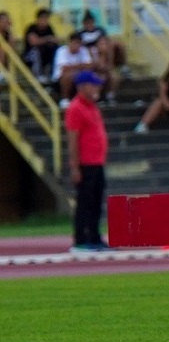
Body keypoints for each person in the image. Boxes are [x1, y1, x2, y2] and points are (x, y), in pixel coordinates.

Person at [65, 69, 109, 252]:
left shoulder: (92, 106)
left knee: (97, 201)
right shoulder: (76, 108)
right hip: (86, 163)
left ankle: (94, 236)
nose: (97, 88)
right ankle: (81, 239)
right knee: (85, 202)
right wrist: (75, 166)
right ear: (82, 87)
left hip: (97, 162)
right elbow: (73, 140)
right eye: (93, 85)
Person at [77, 11, 125, 98]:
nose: (89, 24)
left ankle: (110, 94)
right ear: (84, 24)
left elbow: (107, 41)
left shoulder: (100, 31)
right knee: (100, 76)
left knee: (114, 76)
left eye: (91, 22)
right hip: (91, 58)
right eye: (87, 23)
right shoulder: (80, 34)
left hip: (103, 56)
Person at [53, 30, 93, 102]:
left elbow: (89, 66)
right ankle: (65, 99)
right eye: (75, 43)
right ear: (70, 42)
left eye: (79, 43)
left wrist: (73, 67)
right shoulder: (61, 50)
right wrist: (81, 66)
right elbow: (64, 68)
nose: (77, 46)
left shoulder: (83, 50)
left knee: (90, 75)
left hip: (78, 77)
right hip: (60, 80)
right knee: (68, 75)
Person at [22, 8, 58, 85]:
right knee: (35, 52)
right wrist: (47, 39)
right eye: (44, 18)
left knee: (56, 50)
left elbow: (55, 40)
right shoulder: (31, 28)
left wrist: (44, 40)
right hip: (29, 55)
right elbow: (34, 42)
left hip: (44, 54)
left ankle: (52, 75)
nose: (46, 20)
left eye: (47, 18)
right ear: (39, 18)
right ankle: (38, 76)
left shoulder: (49, 28)